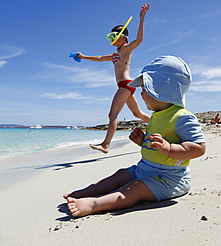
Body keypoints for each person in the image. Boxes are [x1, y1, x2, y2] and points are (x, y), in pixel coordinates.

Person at [65, 56, 206, 217]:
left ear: (161, 89)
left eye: (145, 89)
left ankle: (94, 204)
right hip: (144, 168)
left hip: (169, 179)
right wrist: (143, 141)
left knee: (136, 188)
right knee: (120, 175)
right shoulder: (157, 115)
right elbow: (155, 147)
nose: (141, 93)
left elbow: (199, 148)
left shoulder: (182, 117)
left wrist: (169, 148)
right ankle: (87, 191)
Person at [76, 3, 151, 154]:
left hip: (126, 84)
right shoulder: (115, 55)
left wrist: (142, 19)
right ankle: (163, 124)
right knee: (137, 114)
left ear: (123, 37)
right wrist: (83, 57)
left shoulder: (126, 49)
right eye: (109, 37)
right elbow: (99, 58)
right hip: (125, 86)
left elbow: (139, 40)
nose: (111, 40)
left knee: (112, 115)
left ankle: (106, 145)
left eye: (113, 36)